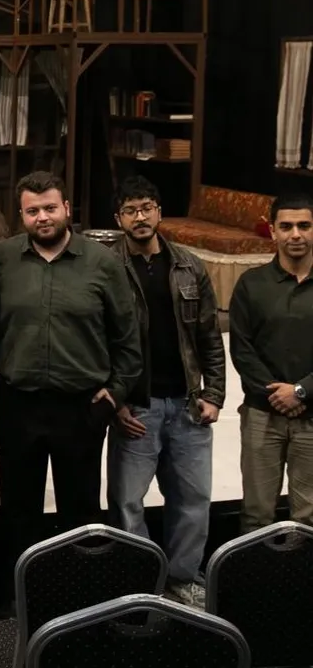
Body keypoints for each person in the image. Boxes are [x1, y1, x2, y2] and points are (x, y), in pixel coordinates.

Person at [0, 171, 141, 582]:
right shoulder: (1, 261)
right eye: (32, 211)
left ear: (67, 208)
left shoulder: (103, 263)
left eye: (50, 208)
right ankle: (20, 595)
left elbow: (127, 337)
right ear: (21, 215)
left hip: (82, 406)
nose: (43, 217)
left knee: (81, 509)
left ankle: (79, 597)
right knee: (18, 508)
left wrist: (115, 393)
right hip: (18, 402)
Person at [106, 177, 224, 608]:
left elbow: (209, 335)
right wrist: (115, 401)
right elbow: (98, 340)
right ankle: (140, 584)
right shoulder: (107, 267)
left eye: (147, 208)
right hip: (137, 406)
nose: (140, 217)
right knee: (127, 503)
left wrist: (214, 393)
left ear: (158, 212)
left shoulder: (189, 266)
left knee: (193, 500)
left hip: (189, 404)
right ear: (118, 219)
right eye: (131, 210)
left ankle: (182, 578)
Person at [230, 192, 313, 531]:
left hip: (312, 417)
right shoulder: (251, 284)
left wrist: (301, 391)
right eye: (287, 226)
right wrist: (278, 395)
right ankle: (254, 570)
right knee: (256, 515)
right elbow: (242, 349)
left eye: (304, 226)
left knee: (308, 517)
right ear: (273, 231)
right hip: (262, 415)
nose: (296, 234)